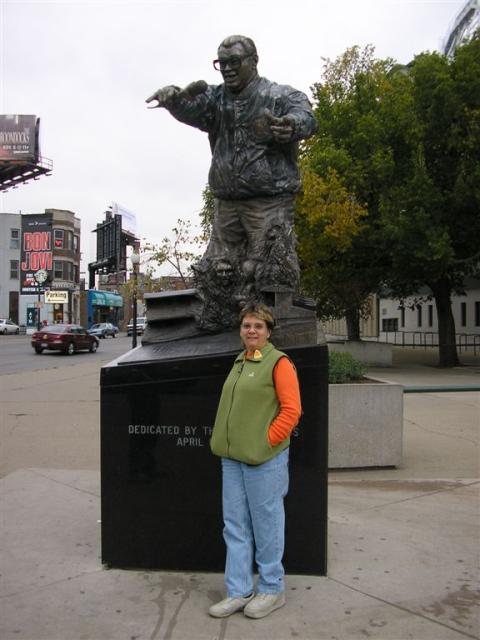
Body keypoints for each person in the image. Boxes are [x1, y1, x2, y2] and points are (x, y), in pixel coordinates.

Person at [146, 35, 317, 324]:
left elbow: (307, 116)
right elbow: (193, 109)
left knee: (271, 266)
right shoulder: (215, 99)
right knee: (218, 268)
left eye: (233, 62)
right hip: (227, 201)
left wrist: (291, 125)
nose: (226, 69)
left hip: (268, 200)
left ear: (254, 61)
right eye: (221, 63)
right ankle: (218, 320)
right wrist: (174, 100)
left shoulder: (279, 96)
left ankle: (275, 326)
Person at [208, 302, 302, 619]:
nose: (252, 331)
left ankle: (272, 589)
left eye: (258, 326)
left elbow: (292, 410)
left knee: (267, 525)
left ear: (269, 331)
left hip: (264, 459)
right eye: (247, 326)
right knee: (235, 526)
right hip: (232, 458)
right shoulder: (240, 360)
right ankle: (238, 590)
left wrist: (267, 441)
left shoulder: (279, 363)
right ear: (241, 330)